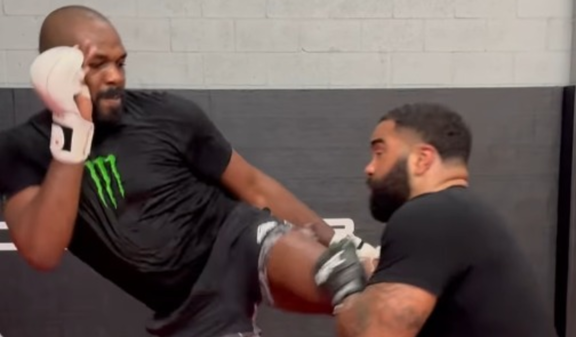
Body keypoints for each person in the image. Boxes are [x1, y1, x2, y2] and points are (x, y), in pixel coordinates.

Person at [0, 5, 378, 337]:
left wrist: (350, 246)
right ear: (55, 69)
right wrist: (72, 132)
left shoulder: (166, 113)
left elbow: (254, 186)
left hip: (237, 240)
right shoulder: (23, 148)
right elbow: (42, 252)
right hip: (188, 307)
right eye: (98, 64)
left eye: (121, 62)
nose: (115, 76)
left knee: (344, 277)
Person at [333, 103, 558, 337]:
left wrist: (345, 286)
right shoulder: (461, 214)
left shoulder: (428, 214)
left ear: (422, 159)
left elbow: (375, 334)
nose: (369, 168)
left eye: (380, 153)